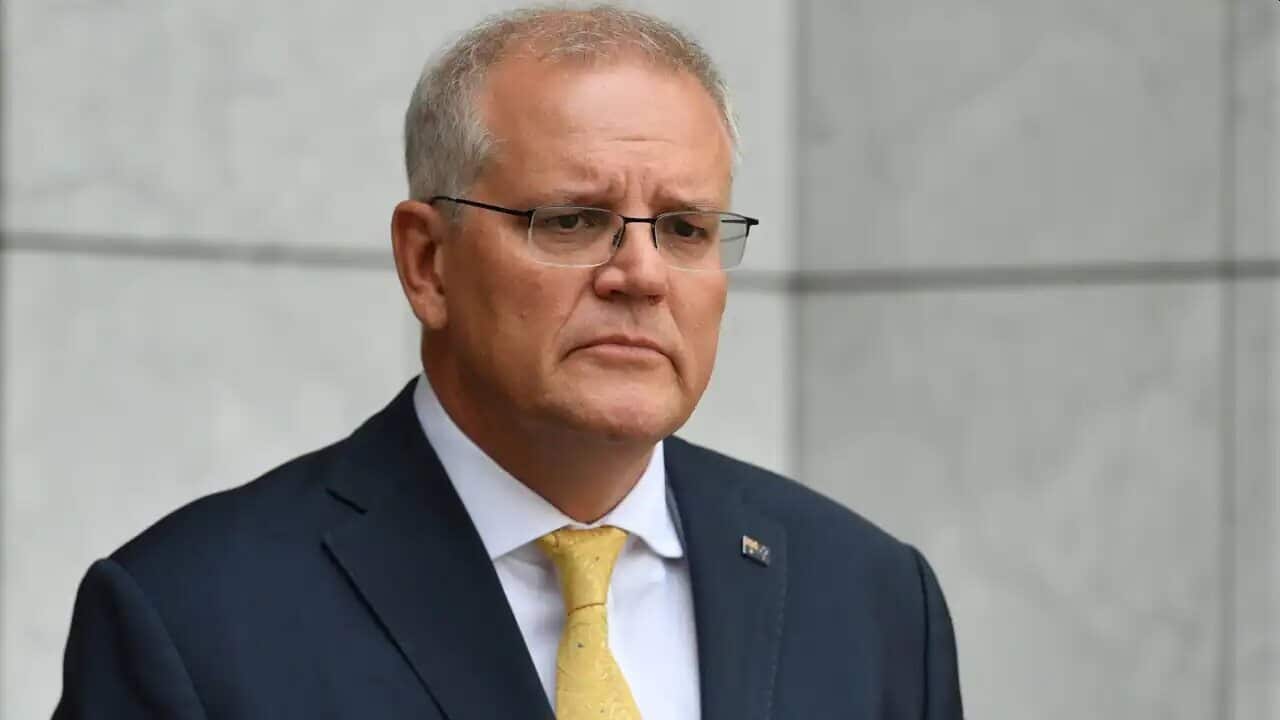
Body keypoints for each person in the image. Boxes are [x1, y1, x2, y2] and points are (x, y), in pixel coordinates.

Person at [53, 5, 962, 719]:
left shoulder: (872, 600)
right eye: (571, 220)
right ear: (427, 262)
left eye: (684, 228)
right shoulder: (194, 617)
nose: (640, 274)